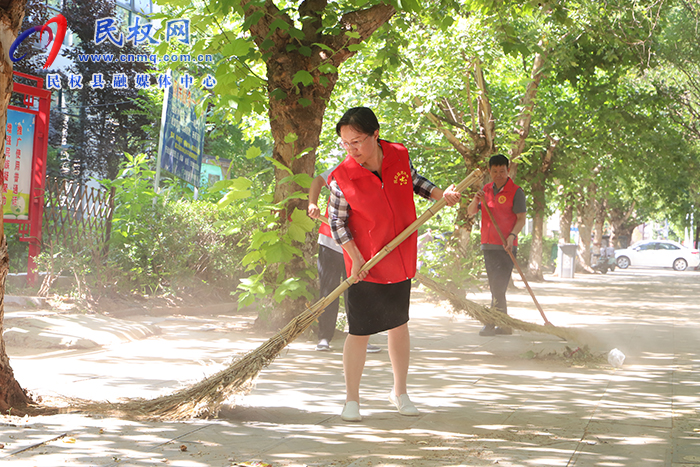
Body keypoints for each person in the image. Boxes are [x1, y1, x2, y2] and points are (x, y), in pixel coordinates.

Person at [328, 107, 461, 422]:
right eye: (346, 144)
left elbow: (413, 181)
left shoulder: (399, 154)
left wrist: (442, 194)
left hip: (400, 254)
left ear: (376, 134)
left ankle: (400, 392)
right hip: (365, 263)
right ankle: (351, 400)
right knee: (359, 331)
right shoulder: (341, 177)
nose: (352, 149)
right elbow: (337, 223)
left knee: (399, 324)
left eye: (357, 141)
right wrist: (356, 259)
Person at [307, 170, 381, 353]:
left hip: (357, 246)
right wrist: (312, 204)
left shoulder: (372, 173)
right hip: (330, 242)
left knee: (358, 291)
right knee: (328, 289)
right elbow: (317, 182)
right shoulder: (339, 170)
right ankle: (324, 337)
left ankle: (360, 336)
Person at [467, 154, 526, 337]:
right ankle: (504, 324)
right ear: (490, 172)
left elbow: (521, 219)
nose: (499, 174)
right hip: (488, 245)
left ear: (508, 170)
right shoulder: (485, 191)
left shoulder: (516, 191)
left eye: (502, 171)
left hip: (507, 246)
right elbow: (470, 213)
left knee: (498, 286)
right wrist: (476, 201)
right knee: (495, 286)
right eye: (495, 171)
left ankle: (491, 323)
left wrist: (512, 236)